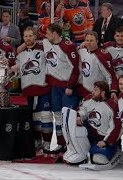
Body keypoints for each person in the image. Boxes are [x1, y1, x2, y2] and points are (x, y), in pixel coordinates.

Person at [11, 27, 52, 155]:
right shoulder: (20, 53)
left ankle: (47, 143)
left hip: (43, 87)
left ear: (35, 36)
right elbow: (17, 72)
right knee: (34, 119)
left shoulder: (43, 46)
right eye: (26, 36)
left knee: (45, 116)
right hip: (28, 90)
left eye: (30, 36)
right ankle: (37, 142)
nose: (28, 39)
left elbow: (52, 42)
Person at [62, 81, 121, 165]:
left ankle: (115, 150)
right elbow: (82, 110)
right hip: (90, 136)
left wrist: (106, 141)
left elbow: (116, 127)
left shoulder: (113, 106)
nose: (92, 91)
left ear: (103, 92)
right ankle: (83, 153)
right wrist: (79, 116)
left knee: (99, 159)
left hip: (104, 139)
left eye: (95, 90)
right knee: (77, 129)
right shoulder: (89, 99)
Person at [43, 23, 80, 153]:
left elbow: (76, 69)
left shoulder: (68, 46)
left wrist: (70, 86)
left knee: (68, 117)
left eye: (48, 33)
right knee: (57, 116)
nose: (46, 35)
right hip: (54, 87)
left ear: (55, 33)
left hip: (67, 88)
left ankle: (72, 146)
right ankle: (61, 143)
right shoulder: (46, 43)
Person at [77, 31, 118, 99]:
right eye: (87, 40)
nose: (89, 43)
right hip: (85, 91)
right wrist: (79, 47)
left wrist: (113, 91)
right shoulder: (82, 51)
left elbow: (110, 76)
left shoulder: (102, 56)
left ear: (97, 41)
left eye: (91, 40)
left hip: (99, 94)